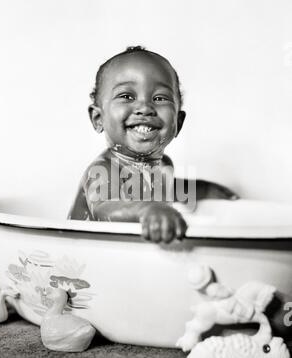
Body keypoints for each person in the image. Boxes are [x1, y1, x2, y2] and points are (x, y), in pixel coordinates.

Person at [68, 46, 238, 243]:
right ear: (98, 119)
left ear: (178, 122)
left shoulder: (162, 165)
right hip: (86, 258)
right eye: (126, 96)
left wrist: (205, 190)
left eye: (159, 98)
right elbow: (105, 207)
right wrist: (147, 210)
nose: (145, 108)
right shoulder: (103, 170)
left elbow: (167, 190)